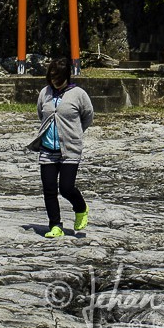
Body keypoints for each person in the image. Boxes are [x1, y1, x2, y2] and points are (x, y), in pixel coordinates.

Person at [25, 57, 94, 238]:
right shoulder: (45, 93)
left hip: (70, 148)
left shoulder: (78, 94)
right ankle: (55, 225)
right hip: (48, 148)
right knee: (49, 189)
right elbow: (42, 114)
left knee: (66, 188)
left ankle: (81, 207)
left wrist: (75, 133)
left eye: (58, 79)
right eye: (52, 79)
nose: (54, 83)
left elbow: (88, 116)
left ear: (66, 77)